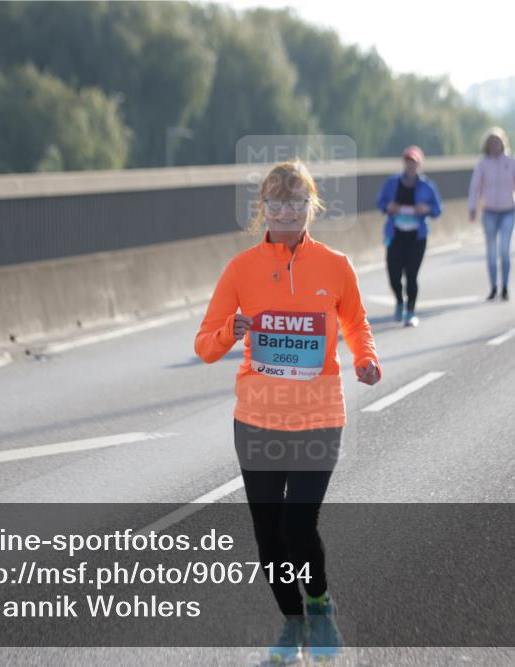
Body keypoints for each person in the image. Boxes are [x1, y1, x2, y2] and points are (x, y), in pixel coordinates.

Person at [194, 160, 382, 664]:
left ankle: (320, 604)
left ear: (311, 206)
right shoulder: (241, 269)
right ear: (264, 210)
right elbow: (203, 346)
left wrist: (365, 359)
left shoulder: (336, 265)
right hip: (256, 419)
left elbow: (356, 323)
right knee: (267, 537)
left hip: (319, 416)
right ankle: (292, 625)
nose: (287, 212)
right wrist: (228, 332)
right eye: (276, 203)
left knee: (297, 526)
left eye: (297, 202)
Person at [375, 145, 443, 327]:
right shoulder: (392, 182)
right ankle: (399, 300)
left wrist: (426, 209)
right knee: (394, 275)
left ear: (419, 164)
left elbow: (437, 209)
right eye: (408, 162)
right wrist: (388, 207)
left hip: (417, 237)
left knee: (411, 275)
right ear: (404, 163)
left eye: (414, 163)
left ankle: (411, 312)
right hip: (395, 234)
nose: (410, 166)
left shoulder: (427, 185)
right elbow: (380, 202)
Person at [468, 127, 515, 301]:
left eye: (498, 142)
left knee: (504, 249)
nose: (495, 145)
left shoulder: (512, 162)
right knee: (491, 252)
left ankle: (505, 286)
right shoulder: (483, 164)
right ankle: (493, 287)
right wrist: (472, 207)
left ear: (503, 143)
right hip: (489, 212)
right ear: (487, 145)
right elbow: (475, 186)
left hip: (507, 211)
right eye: (492, 143)